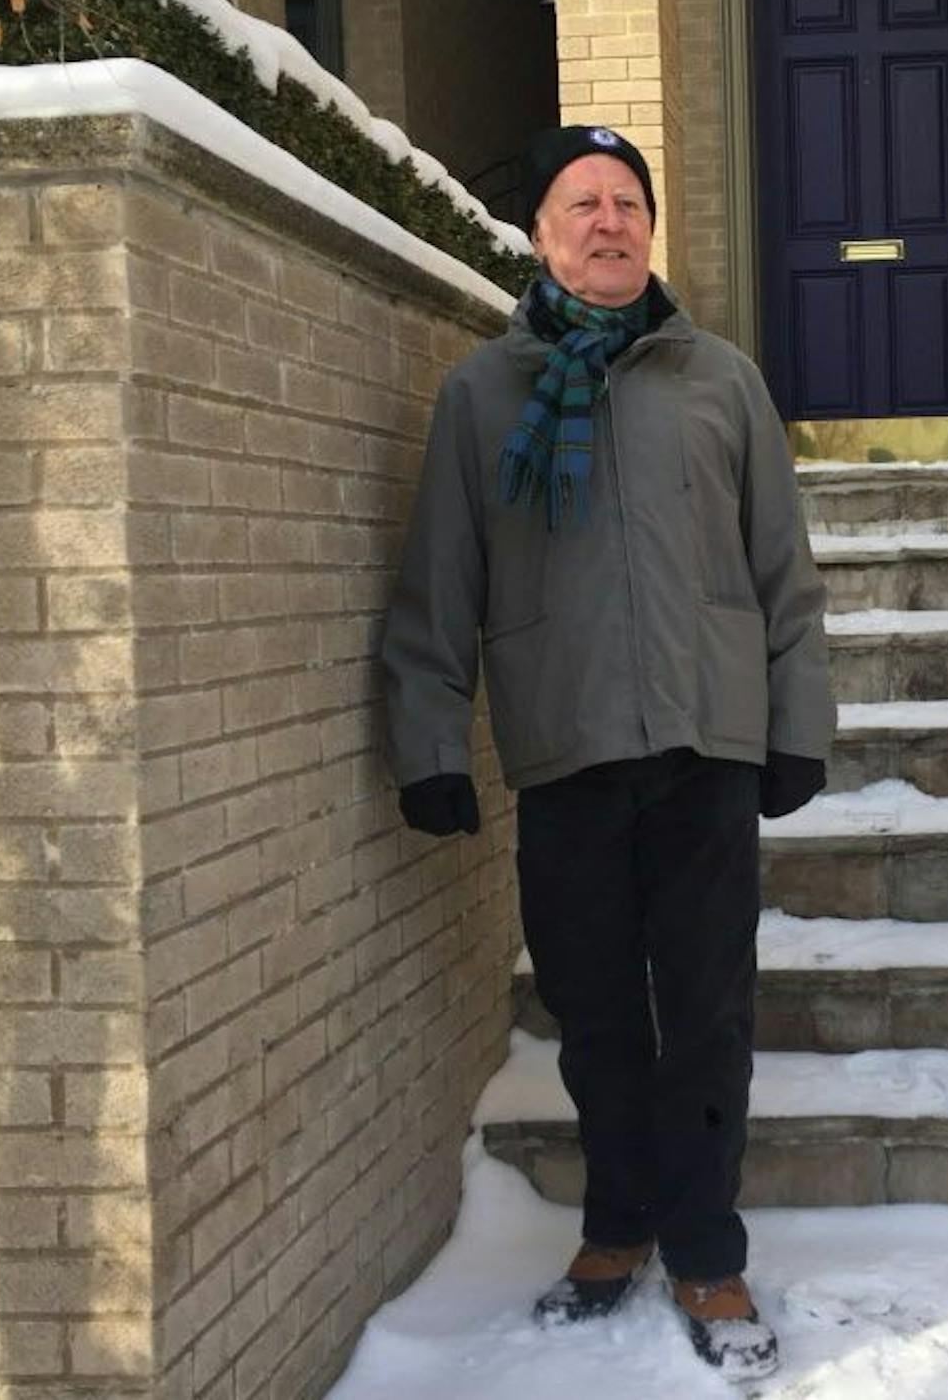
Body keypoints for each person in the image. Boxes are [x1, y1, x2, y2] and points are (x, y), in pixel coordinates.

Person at [380, 123, 833, 1381]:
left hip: (705, 747)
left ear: (649, 229)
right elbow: (438, 584)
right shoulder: (484, 396)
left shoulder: (721, 381)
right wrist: (430, 742)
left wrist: (794, 726)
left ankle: (704, 1243)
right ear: (539, 234)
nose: (608, 221)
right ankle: (617, 1223)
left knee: (706, 1013)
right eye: (582, 203)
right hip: (565, 746)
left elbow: (781, 572)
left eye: (627, 201)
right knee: (593, 1018)